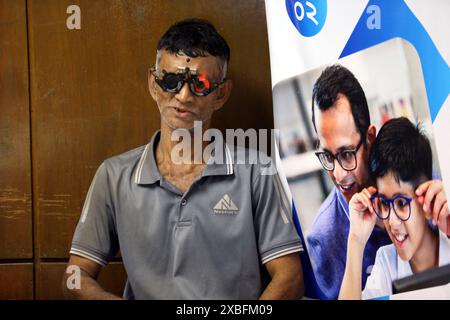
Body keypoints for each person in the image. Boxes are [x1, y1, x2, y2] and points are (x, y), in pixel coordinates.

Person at [62, 18, 304, 300]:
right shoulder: (114, 175)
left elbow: (290, 276)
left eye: (199, 84)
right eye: (172, 80)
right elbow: (75, 275)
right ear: (153, 84)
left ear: (221, 94)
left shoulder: (256, 170)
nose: (184, 95)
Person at [339, 117, 450, 300]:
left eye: (401, 203)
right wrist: (356, 240)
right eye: (383, 203)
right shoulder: (386, 264)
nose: (392, 222)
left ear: (426, 196)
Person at [306, 65, 392, 299]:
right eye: (327, 156)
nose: (339, 174)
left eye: (347, 154)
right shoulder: (324, 238)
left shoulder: (419, 187)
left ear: (370, 139)